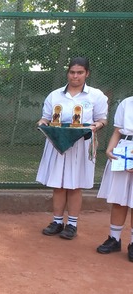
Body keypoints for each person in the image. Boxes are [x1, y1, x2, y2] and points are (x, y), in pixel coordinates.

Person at [37, 57, 108, 240]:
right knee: (58, 185)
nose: (75, 76)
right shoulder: (55, 95)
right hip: (57, 144)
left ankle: (72, 225)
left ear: (87, 74)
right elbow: (46, 118)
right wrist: (42, 123)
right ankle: (57, 222)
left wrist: (95, 126)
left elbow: (102, 120)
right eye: (72, 72)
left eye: (80, 72)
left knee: (75, 186)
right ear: (67, 73)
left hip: (81, 146)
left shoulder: (96, 95)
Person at [95, 96, 133, 261]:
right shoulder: (127, 102)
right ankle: (114, 239)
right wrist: (110, 150)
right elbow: (118, 130)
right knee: (118, 198)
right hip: (123, 151)